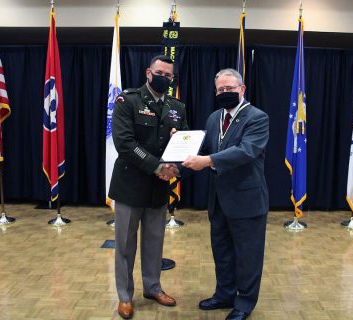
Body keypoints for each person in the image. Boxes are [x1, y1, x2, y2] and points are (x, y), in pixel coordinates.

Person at [183, 68, 269, 320]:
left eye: (229, 89)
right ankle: (224, 294)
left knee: (247, 255)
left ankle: (244, 303)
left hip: (247, 200)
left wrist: (207, 160)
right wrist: (180, 149)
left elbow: (246, 151)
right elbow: (203, 148)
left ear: (242, 89)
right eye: (220, 90)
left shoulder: (257, 117)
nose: (225, 93)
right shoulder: (213, 118)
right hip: (218, 200)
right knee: (222, 251)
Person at [109, 55, 188, 319]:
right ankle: (124, 295)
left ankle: (153, 288)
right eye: (159, 72)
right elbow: (125, 143)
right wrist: (158, 166)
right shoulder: (127, 101)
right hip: (130, 185)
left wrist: (176, 166)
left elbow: (185, 140)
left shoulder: (177, 106)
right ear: (148, 72)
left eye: (169, 75)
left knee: (155, 243)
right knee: (125, 245)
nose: (164, 77)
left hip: (159, 187)